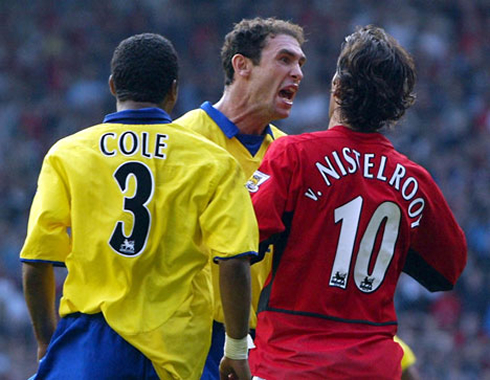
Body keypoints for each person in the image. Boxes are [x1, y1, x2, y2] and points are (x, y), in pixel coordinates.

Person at [20, 33, 257, 380]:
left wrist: (46, 342)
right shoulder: (213, 161)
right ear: (174, 91)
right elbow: (234, 260)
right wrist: (236, 349)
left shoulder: (67, 154)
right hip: (177, 345)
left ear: (113, 86)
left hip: (91, 341)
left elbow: (37, 261)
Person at [246, 25, 467, 379]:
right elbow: (448, 268)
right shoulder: (413, 180)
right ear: (396, 106)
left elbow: (240, 238)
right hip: (372, 367)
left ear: (337, 87)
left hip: (288, 364)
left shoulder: (294, 155)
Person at [175, 17, 306, 379]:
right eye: (284, 59)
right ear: (242, 65)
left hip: (254, 343)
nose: (297, 72)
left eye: (300, 64)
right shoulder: (180, 140)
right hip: (183, 337)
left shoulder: (289, 155)